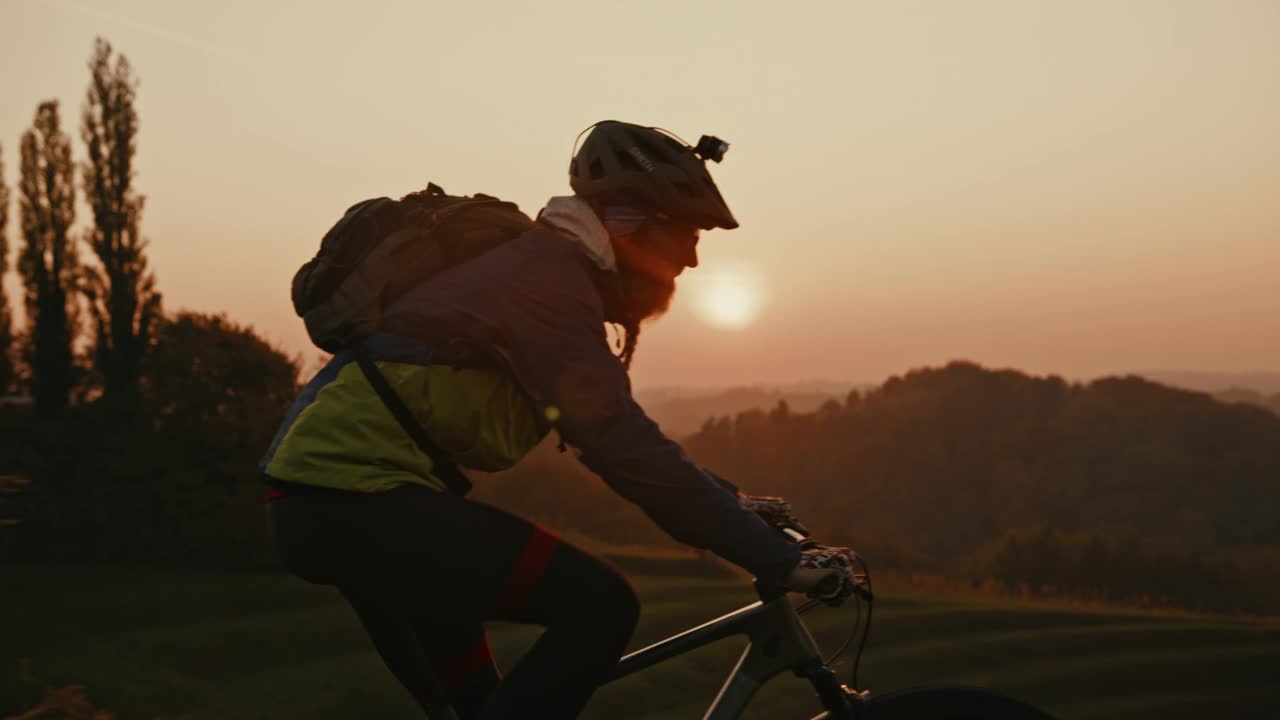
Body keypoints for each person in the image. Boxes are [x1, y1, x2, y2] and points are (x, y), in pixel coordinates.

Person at [260, 120, 860, 719]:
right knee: (601, 608)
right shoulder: (546, 279)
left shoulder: (544, 272)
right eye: (687, 233)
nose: (695, 258)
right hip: (352, 501)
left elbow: (624, 433)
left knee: (482, 706)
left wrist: (735, 504)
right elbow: (620, 444)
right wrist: (776, 559)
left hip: (334, 500)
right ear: (632, 227)